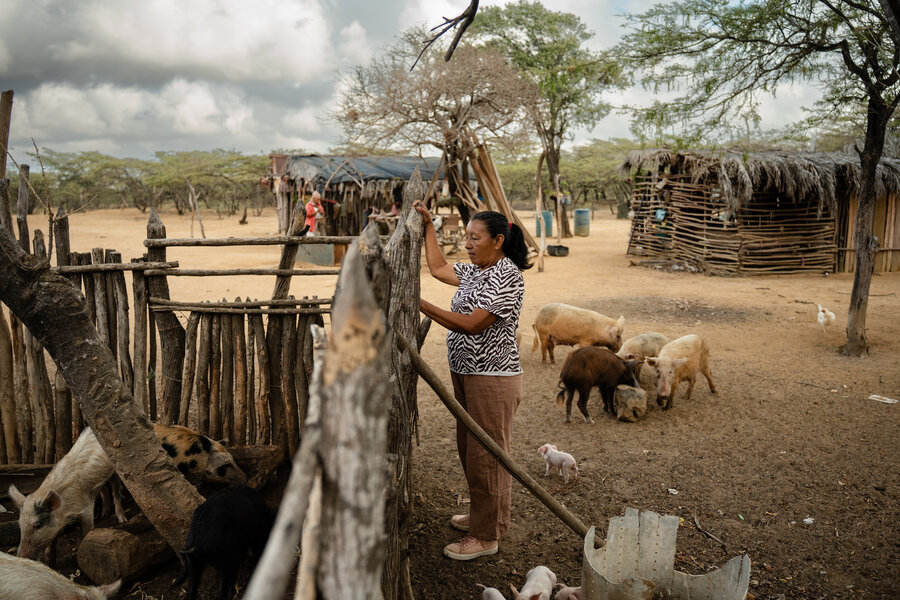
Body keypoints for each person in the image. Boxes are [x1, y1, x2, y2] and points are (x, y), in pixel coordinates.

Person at [413, 200, 532, 561]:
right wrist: (429, 226)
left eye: (474, 238)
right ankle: (483, 516)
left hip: (492, 378)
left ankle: (486, 535)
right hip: (467, 371)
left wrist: (414, 301)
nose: (467, 243)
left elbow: (472, 324)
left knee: (489, 456)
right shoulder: (478, 269)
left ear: (497, 241)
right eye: (466, 236)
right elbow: (437, 268)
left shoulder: (507, 275)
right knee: (470, 450)